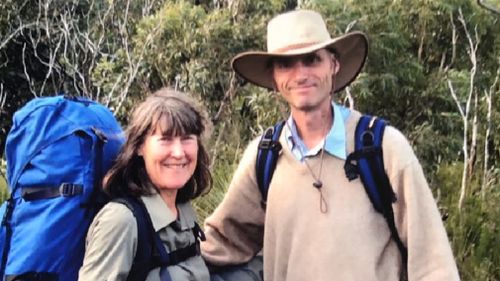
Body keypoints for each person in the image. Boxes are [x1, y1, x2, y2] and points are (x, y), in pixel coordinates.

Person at [201, 9, 460, 281]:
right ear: (274, 79)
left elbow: (433, 262)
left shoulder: (381, 148)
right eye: (286, 64)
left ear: (333, 65)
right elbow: (222, 243)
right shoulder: (264, 157)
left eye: (312, 59)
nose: (300, 74)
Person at [79, 88, 212, 281]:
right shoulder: (121, 221)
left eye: (187, 139)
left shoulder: (182, 211)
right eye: (165, 139)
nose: (178, 152)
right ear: (140, 147)